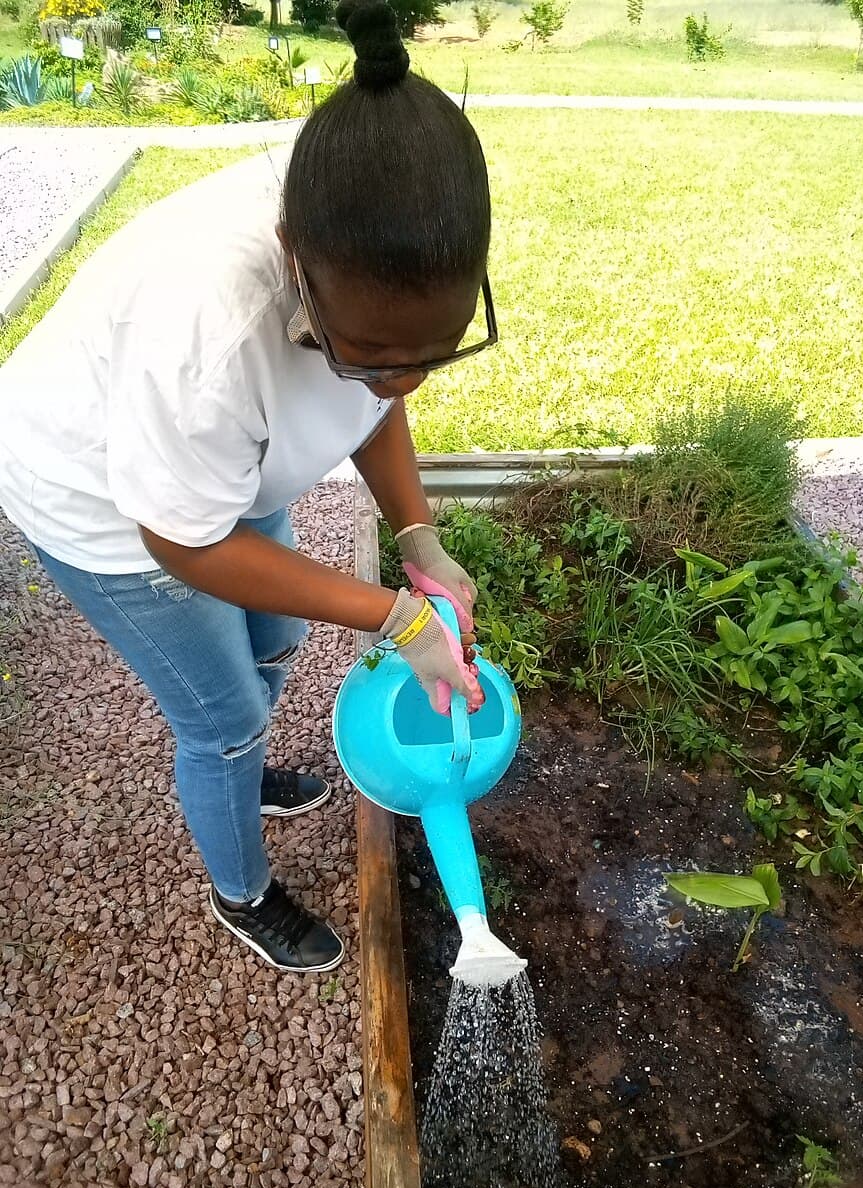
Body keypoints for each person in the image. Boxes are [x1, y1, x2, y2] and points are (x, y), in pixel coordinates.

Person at [0, 0, 495, 974]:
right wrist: (396, 619)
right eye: (372, 356)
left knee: (277, 635)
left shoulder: (399, 230)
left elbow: (370, 400)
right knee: (219, 717)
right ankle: (244, 890)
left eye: (429, 356)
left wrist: (417, 537)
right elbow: (184, 541)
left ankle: (248, 767)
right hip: (103, 497)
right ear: (294, 268)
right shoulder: (209, 333)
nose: (403, 382)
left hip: (221, 464)